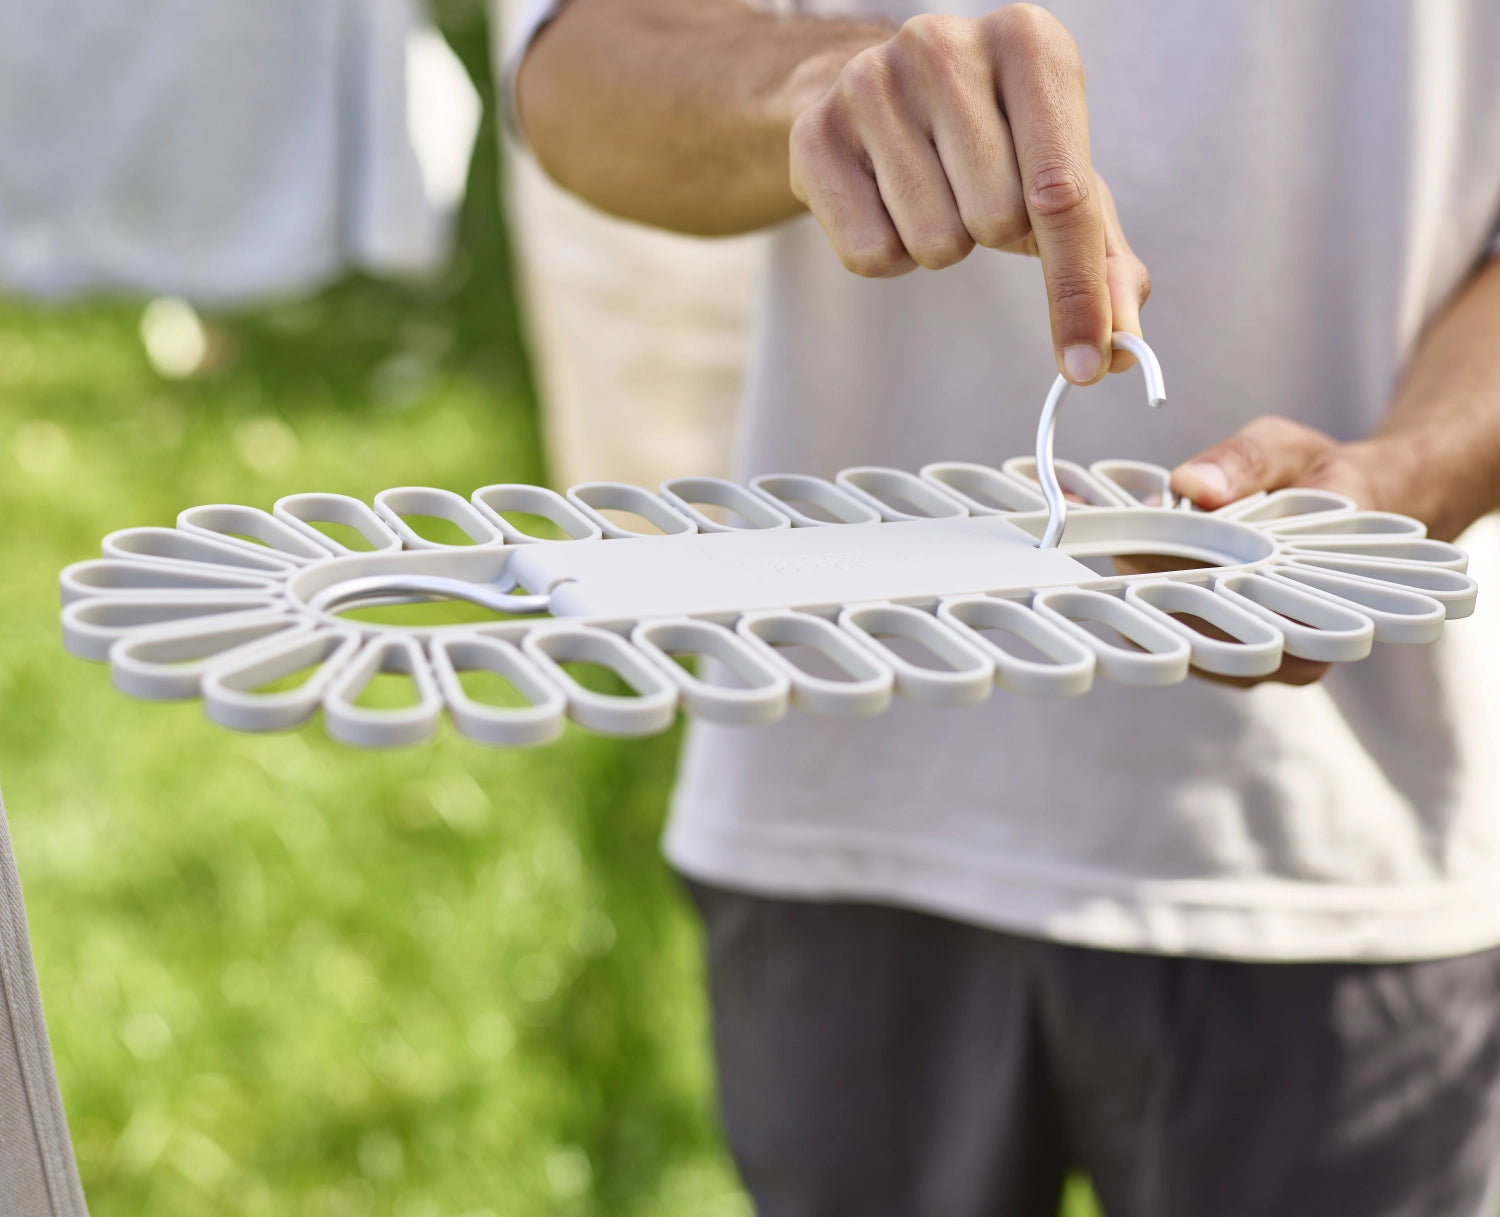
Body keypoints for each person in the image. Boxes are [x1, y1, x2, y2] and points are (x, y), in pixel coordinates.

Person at [513, 3, 1500, 1215]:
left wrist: (1411, 470)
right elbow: (568, 74)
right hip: (847, 783)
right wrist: (815, 95)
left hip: (1347, 836)